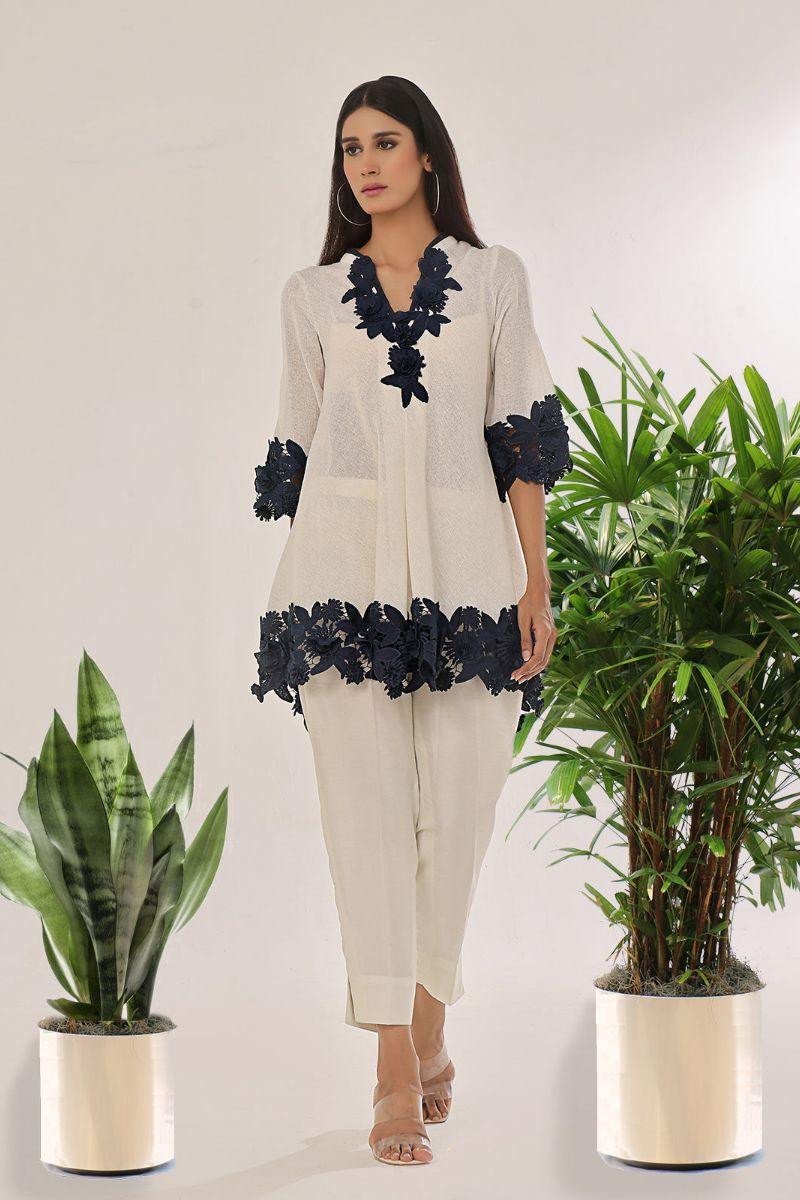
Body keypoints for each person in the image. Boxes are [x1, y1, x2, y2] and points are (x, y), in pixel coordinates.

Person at [252, 75, 573, 1166]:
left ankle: (431, 1020)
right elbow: (302, 442)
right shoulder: (309, 294)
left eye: (384, 142)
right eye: (350, 149)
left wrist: (536, 581)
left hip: (471, 578)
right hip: (340, 582)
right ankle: (394, 1064)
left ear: (427, 153)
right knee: (365, 821)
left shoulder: (493, 279)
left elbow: (519, 438)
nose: (365, 164)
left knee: (461, 814)